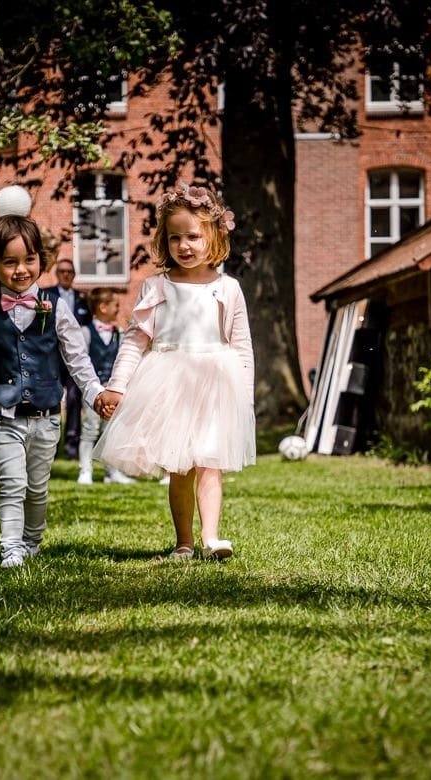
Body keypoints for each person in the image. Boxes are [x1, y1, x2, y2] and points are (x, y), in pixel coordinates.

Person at [92, 182, 255, 561]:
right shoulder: (156, 286)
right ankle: (184, 541)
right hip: (170, 383)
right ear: (164, 240)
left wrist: (244, 397)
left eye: (194, 236)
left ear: (213, 236)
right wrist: (117, 386)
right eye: (175, 237)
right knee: (180, 467)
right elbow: (135, 341)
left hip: (215, 382)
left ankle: (212, 538)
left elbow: (242, 345)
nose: (185, 245)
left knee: (210, 463)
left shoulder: (227, 289)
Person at [0, 214, 107, 568]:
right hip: (1, 414)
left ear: (40, 260)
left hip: (47, 416)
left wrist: (94, 393)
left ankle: (32, 540)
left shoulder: (57, 308)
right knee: (12, 483)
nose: (21, 270)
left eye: (29, 260)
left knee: (37, 487)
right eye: (10, 262)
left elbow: (77, 359)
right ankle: (10, 548)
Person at [77, 287, 135, 485]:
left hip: (114, 391)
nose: (118, 309)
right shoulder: (85, 332)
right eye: (115, 305)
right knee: (90, 428)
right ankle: (85, 470)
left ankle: (113, 472)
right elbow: (81, 361)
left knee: (112, 431)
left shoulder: (119, 333)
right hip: (94, 391)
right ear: (102, 307)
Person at [45, 258, 91, 459]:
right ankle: (50, 446)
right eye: (62, 271)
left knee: (74, 399)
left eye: (69, 272)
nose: (65, 274)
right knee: (52, 399)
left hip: (73, 358)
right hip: (52, 359)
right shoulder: (46, 295)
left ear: (73, 275)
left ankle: (72, 446)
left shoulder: (82, 299)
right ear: (57, 273)